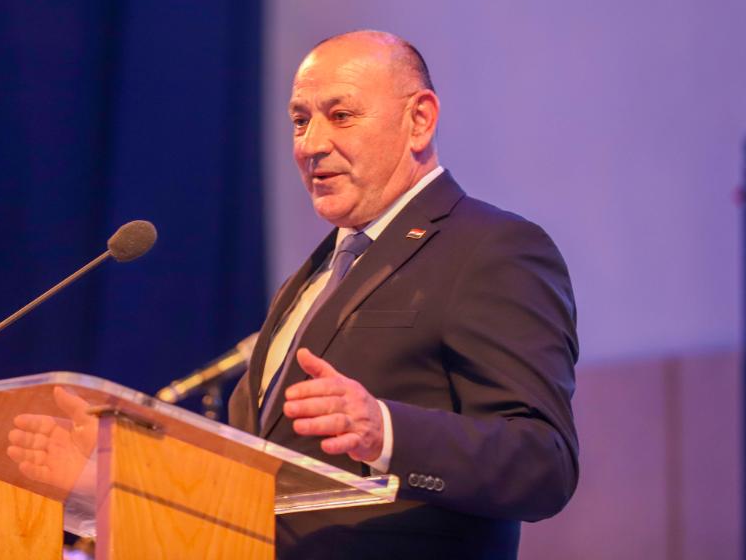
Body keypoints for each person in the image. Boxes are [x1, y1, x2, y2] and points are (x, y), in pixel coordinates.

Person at [227, 30, 578, 559]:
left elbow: (543, 464)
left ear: (419, 120)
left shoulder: (491, 248)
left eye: (341, 115)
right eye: (300, 120)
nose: (310, 144)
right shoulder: (312, 278)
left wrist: (386, 433)